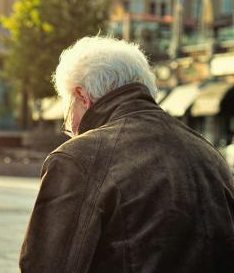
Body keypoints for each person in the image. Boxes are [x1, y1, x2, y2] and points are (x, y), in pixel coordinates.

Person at [19, 37, 234, 272]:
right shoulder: (210, 155)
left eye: (67, 108)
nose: (69, 125)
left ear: (82, 96)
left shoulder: (79, 158)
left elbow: (46, 266)